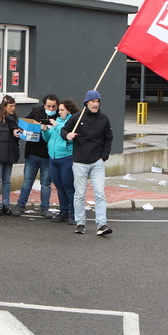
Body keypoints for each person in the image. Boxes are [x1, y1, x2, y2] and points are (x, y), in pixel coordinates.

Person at [62, 90, 114, 236]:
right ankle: (80, 223)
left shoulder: (104, 119)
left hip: (97, 162)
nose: (95, 104)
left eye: (98, 102)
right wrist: (68, 135)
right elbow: (63, 130)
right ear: (86, 103)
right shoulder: (77, 118)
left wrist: (104, 156)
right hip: (79, 162)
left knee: (100, 194)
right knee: (79, 194)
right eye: (93, 101)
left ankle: (102, 224)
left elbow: (109, 138)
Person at [12, 94, 59, 218]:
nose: (51, 108)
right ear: (44, 105)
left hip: (48, 155)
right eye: (49, 106)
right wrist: (18, 129)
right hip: (32, 153)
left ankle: (45, 209)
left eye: (54, 106)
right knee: (27, 180)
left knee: (46, 183)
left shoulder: (59, 117)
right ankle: (20, 205)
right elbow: (24, 123)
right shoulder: (36, 112)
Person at [42, 99, 79, 225]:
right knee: (59, 187)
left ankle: (74, 214)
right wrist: (45, 130)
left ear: (69, 110)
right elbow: (48, 139)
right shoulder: (56, 121)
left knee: (69, 187)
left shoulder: (72, 122)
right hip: (53, 158)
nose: (59, 112)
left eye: (62, 110)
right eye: (59, 110)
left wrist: (57, 127)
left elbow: (68, 138)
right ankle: (64, 212)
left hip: (66, 158)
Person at [0, 95, 22, 216]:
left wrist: (17, 136)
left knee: (7, 180)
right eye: (10, 106)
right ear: (4, 107)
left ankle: (6, 205)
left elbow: (17, 139)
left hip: (9, 154)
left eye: (14, 106)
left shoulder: (14, 121)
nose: (13, 108)